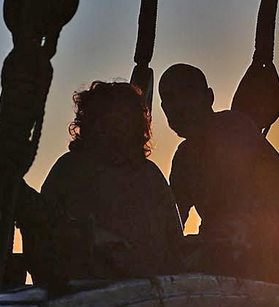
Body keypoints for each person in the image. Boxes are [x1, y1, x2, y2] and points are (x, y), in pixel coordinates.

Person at [23, 80, 184, 290]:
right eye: (107, 117)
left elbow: (173, 245)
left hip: (147, 296)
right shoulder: (69, 170)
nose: (115, 126)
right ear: (91, 122)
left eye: (123, 118)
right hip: (83, 294)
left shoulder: (149, 175)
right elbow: (40, 237)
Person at [157, 63, 279, 285]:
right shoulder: (185, 157)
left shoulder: (233, 128)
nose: (178, 105)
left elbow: (236, 202)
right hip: (233, 249)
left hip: (270, 253)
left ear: (208, 97)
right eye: (170, 99)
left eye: (186, 94)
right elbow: (173, 217)